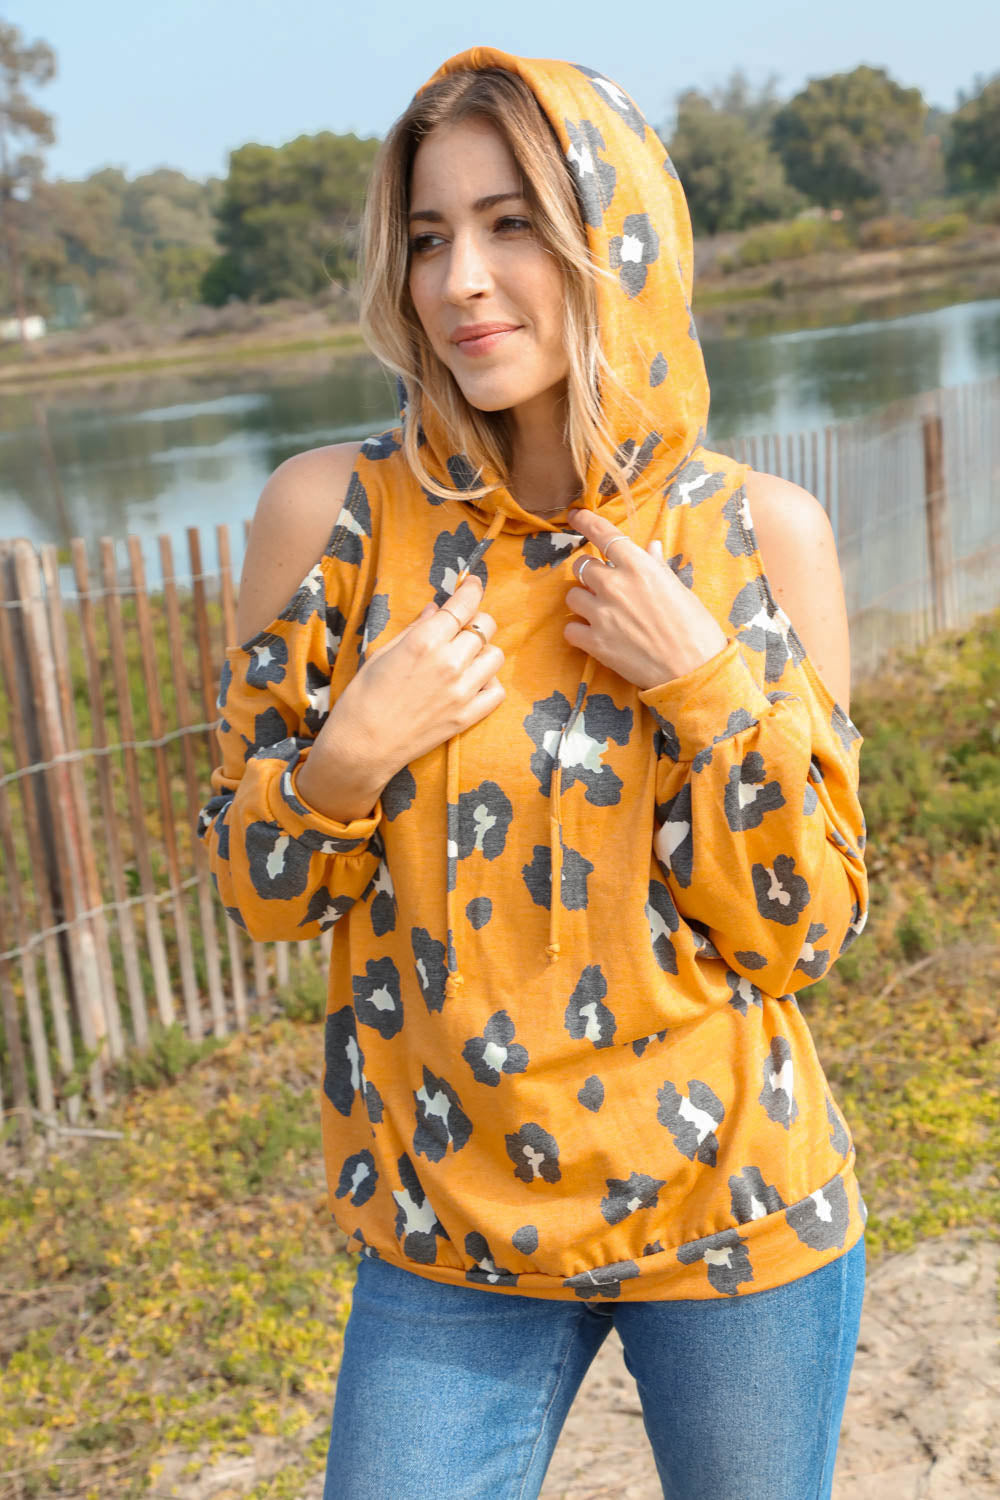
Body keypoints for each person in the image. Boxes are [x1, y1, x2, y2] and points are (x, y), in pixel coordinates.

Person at [198, 47, 870, 1500]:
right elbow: (258, 895)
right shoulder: (329, 517)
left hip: (734, 1217)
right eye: (429, 236)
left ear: (617, 242)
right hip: (450, 1235)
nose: (462, 282)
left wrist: (704, 688)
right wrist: (346, 758)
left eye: (513, 225)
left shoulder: (761, 535)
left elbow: (805, 932)